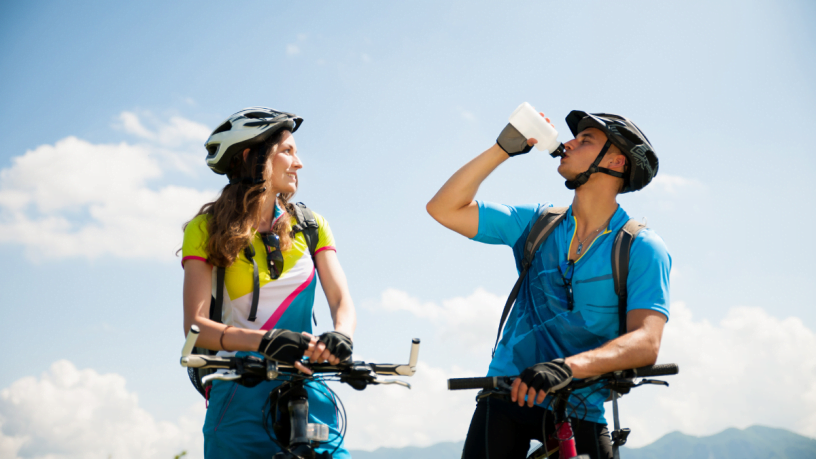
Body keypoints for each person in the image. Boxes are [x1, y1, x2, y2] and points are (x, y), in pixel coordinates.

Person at [426, 110, 670, 459]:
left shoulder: (641, 247)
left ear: (616, 162)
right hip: (506, 395)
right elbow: (443, 208)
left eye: (585, 140)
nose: (568, 143)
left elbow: (646, 342)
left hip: (580, 404)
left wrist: (566, 367)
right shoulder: (537, 224)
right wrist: (502, 149)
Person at [181, 107, 356, 458]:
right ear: (251, 157)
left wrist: (342, 335)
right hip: (237, 395)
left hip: (309, 389)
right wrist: (267, 341)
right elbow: (196, 328)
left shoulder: (311, 225)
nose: (299, 163)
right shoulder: (205, 229)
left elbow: (341, 301)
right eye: (287, 152)